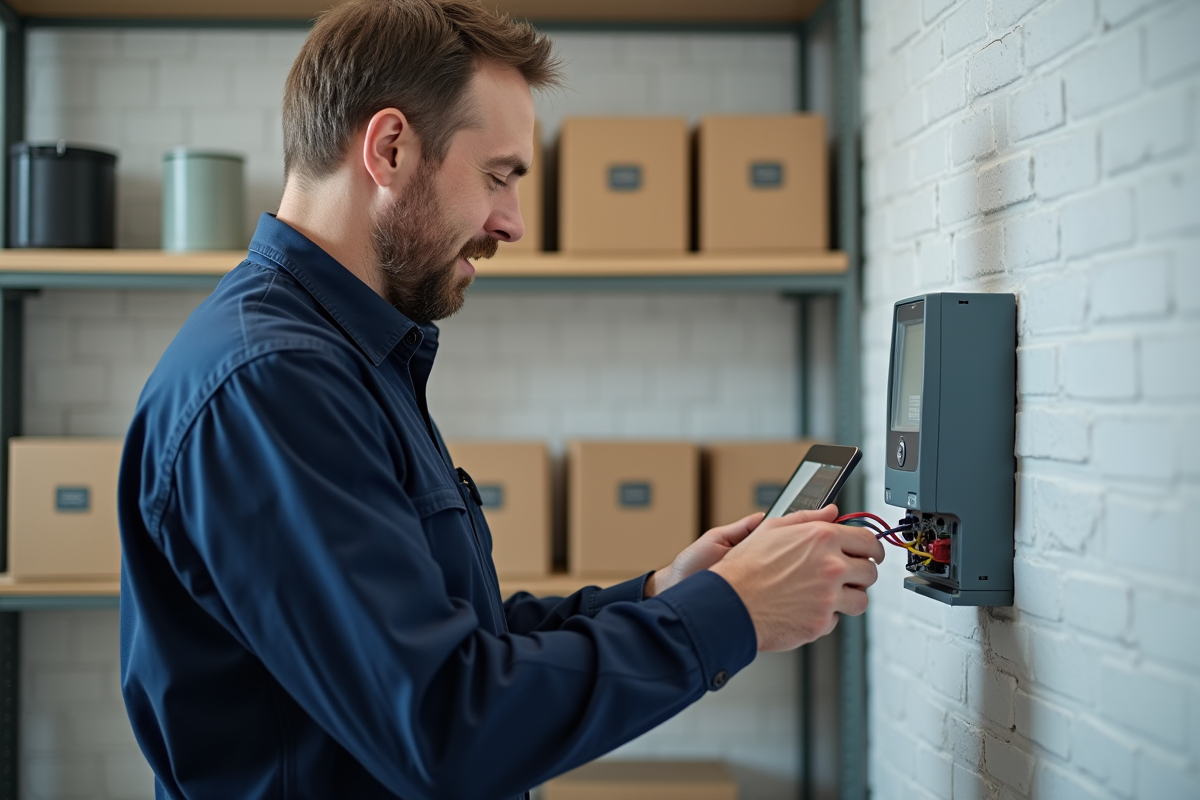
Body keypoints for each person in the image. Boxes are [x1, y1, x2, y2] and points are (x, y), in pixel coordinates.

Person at [117, 1, 884, 798]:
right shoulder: (272, 384)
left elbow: (451, 641)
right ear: (389, 148)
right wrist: (732, 611)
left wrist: (664, 593)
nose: (512, 223)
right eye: (498, 176)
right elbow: (446, 725)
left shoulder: (345, 360)